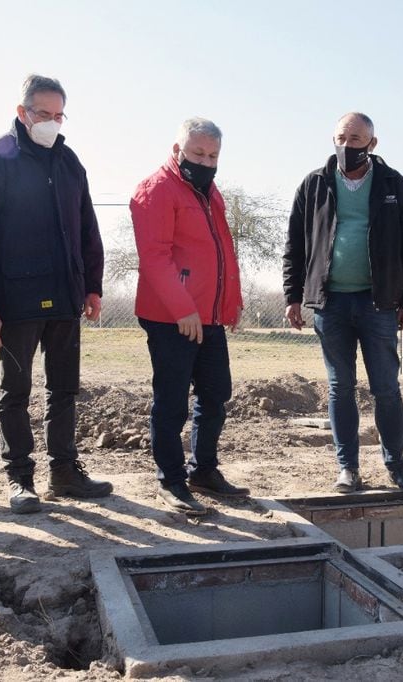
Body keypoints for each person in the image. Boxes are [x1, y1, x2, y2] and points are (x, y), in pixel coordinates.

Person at [0, 73, 111, 514]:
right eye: (43, 114)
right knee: (16, 391)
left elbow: (87, 228)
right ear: (21, 112)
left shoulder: (68, 162)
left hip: (65, 296)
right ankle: (19, 478)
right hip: (16, 302)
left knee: (64, 389)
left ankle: (64, 471)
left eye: (59, 114)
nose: (52, 122)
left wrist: (92, 286)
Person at [283, 112, 403, 494]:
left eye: (357, 139)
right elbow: (295, 243)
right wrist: (293, 295)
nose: (348, 145)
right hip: (330, 304)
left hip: (379, 304)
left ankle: (397, 466)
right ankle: (348, 469)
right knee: (339, 386)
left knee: (386, 388)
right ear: (333, 139)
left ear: (373, 144)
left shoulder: (394, 183)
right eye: (342, 137)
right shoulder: (314, 183)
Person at [130, 117, 249, 516]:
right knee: (172, 400)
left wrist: (229, 302)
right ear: (178, 149)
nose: (205, 161)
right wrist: (183, 308)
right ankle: (171, 480)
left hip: (208, 316)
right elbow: (155, 258)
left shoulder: (210, 192)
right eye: (198, 153)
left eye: (213, 155)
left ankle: (204, 470)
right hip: (171, 317)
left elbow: (220, 251)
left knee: (216, 394)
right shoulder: (157, 189)